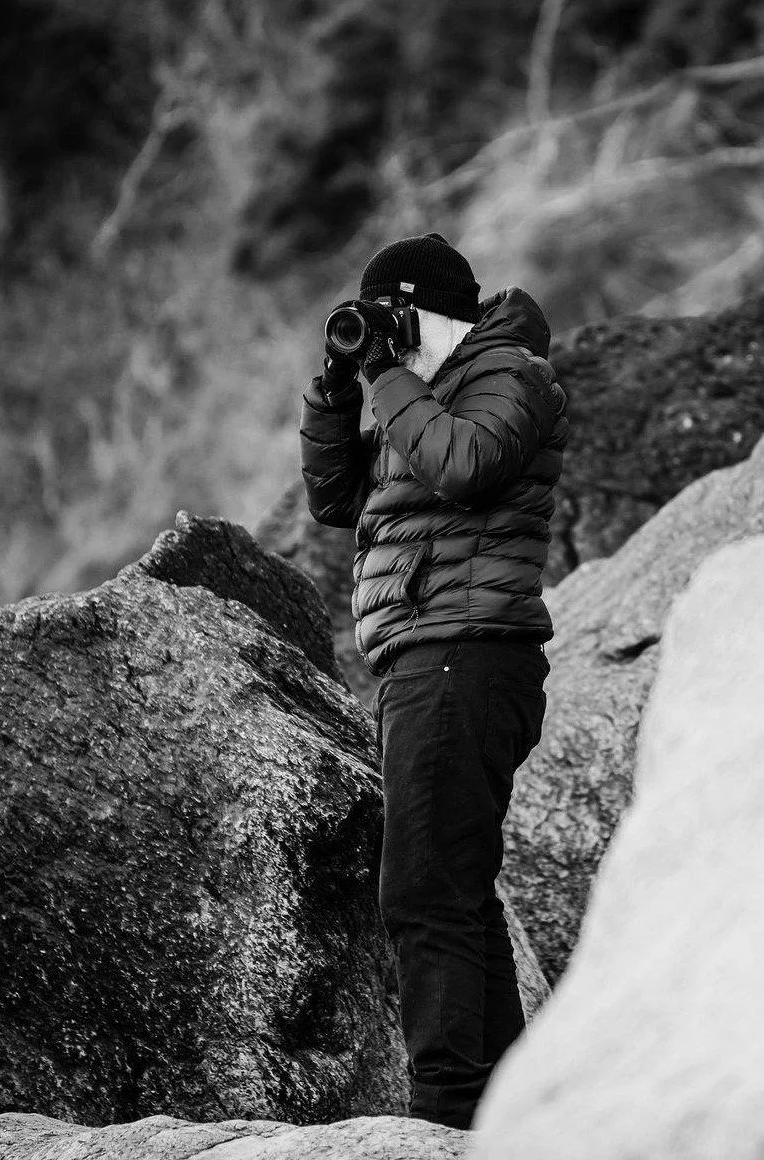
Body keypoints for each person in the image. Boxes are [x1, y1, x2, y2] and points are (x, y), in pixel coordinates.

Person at [299, 232, 568, 1129]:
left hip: (466, 652)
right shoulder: (415, 395)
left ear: (431, 314)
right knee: (456, 889)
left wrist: (383, 374)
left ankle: (445, 1115)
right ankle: (507, 1111)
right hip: (426, 656)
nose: (382, 334)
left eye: (391, 316)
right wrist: (337, 391)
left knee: (420, 891)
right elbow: (336, 501)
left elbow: (463, 465)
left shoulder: (508, 374)